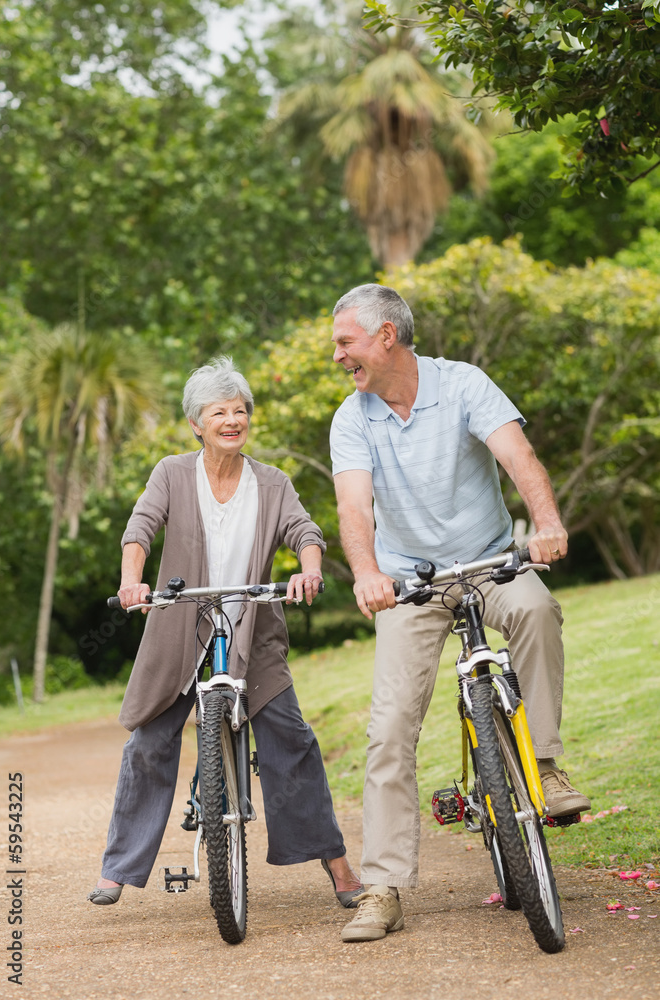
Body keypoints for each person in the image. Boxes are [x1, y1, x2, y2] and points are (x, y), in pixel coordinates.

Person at [328, 283, 590, 942]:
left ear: (386, 336)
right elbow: (353, 507)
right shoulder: (351, 418)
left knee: (534, 609)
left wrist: (547, 520)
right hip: (407, 586)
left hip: (489, 561)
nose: (337, 357)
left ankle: (547, 764)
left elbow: (516, 456)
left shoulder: (463, 383)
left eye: (345, 342)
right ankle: (382, 885)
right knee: (388, 730)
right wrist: (366, 573)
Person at [88, 357, 362, 909]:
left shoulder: (272, 481)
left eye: (240, 410)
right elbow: (140, 528)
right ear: (197, 422)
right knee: (148, 743)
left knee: (292, 741)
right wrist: (132, 583)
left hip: (253, 629)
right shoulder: (170, 473)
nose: (232, 420)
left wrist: (308, 568)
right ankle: (118, 867)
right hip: (178, 628)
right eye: (220, 412)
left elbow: (303, 529)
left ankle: (338, 866)